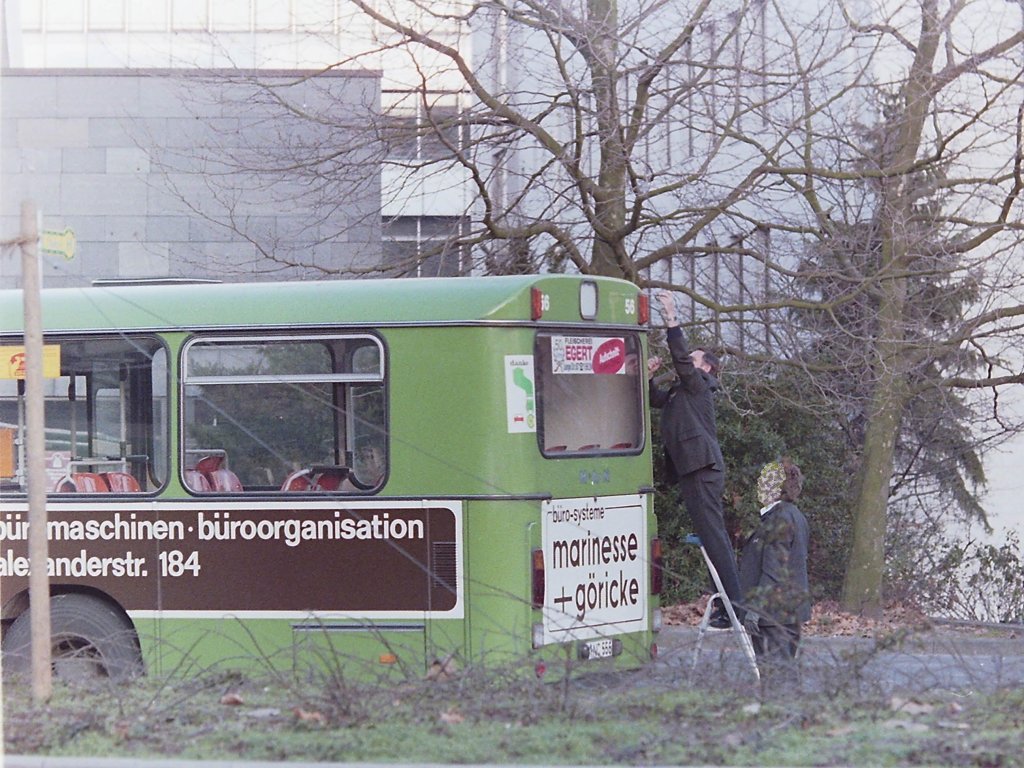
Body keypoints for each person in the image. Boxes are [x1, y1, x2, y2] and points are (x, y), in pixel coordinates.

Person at [649, 290, 742, 628]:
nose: (688, 359)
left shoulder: (699, 385)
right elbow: (656, 400)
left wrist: (671, 317)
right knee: (710, 537)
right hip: (693, 470)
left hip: (702, 469)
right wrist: (646, 377)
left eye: (694, 357)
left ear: (707, 368)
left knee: (715, 537)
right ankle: (727, 607)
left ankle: (736, 608)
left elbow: (681, 362)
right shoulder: (681, 392)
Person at [739, 459, 811, 682]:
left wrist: (755, 610)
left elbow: (774, 569)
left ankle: (777, 716)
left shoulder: (778, 519)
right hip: (787, 611)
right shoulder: (794, 515)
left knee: (776, 678)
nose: (759, 485)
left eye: (764, 481)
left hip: (773, 615)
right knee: (784, 673)